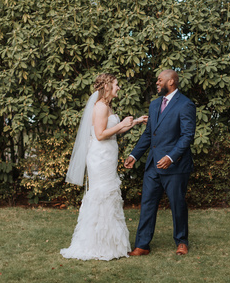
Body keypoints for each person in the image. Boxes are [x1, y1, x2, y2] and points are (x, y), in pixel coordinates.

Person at [61, 73, 148, 261]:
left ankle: (109, 243)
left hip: (107, 155)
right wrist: (123, 123)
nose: (119, 88)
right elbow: (100, 134)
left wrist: (135, 122)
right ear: (107, 86)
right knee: (102, 194)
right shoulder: (100, 107)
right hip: (100, 158)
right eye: (116, 84)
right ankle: (97, 244)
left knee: (109, 194)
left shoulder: (106, 106)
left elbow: (113, 131)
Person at [124, 69, 196, 256]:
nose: (157, 83)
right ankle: (142, 245)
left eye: (159, 80)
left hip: (175, 166)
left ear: (171, 82)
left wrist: (171, 157)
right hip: (152, 166)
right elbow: (149, 134)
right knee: (147, 203)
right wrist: (134, 155)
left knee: (177, 204)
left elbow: (187, 136)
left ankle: (181, 242)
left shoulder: (186, 104)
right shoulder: (155, 105)